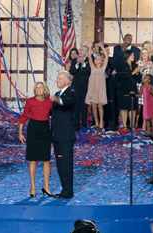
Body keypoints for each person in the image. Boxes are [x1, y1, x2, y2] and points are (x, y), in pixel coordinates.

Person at [18, 81, 53, 198]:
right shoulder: (30, 101)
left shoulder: (50, 102)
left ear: (45, 90)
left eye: (40, 88)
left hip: (45, 129)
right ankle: (33, 187)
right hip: (33, 130)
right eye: (36, 88)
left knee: (46, 160)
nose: (38, 89)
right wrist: (20, 132)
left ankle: (46, 186)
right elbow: (23, 117)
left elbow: (56, 115)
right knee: (33, 160)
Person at [51, 71, 77, 199]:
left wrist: (56, 99)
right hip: (57, 136)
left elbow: (66, 103)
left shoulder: (71, 93)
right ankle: (64, 190)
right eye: (57, 78)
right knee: (60, 164)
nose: (57, 80)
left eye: (60, 78)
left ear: (68, 80)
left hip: (66, 136)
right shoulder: (57, 94)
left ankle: (68, 191)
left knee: (66, 164)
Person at [85, 42, 108, 131]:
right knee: (93, 105)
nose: (97, 59)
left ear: (101, 61)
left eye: (99, 58)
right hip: (93, 87)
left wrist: (102, 48)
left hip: (100, 88)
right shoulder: (92, 67)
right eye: (96, 58)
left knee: (99, 105)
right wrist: (90, 48)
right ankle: (96, 121)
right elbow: (89, 57)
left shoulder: (103, 68)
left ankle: (101, 121)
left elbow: (106, 58)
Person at [115, 50, 141, 130]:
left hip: (133, 88)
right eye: (131, 55)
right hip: (124, 89)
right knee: (124, 108)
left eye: (133, 55)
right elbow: (121, 76)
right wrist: (133, 72)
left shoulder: (134, 65)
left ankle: (132, 125)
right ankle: (125, 125)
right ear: (127, 56)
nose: (133, 56)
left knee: (132, 108)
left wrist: (138, 73)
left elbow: (139, 79)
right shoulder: (121, 65)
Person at [69, 46, 91, 131]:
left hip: (85, 86)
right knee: (76, 107)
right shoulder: (75, 60)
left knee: (84, 106)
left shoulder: (89, 60)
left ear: (86, 52)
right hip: (76, 87)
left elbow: (90, 71)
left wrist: (84, 65)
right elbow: (71, 71)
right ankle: (77, 124)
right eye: (80, 50)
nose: (80, 51)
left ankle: (84, 124)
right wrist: (77, 64)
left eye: (82, 50)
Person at [136, 48, 153, 131]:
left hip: (147, 86)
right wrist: (142, 68)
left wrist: (150, 67)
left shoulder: (151, 63)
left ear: (148, 54)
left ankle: (144, 125)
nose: (144, 55)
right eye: (142, 53)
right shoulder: (138, 63)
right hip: (139, 84)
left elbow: (151, 76)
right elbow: (137, 75)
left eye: (145, 53)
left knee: (146, 106)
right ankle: (136, 123)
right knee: (138, 107)